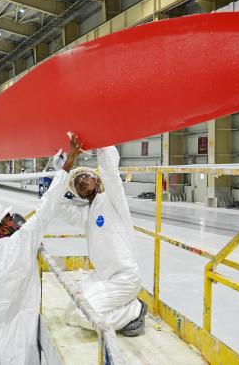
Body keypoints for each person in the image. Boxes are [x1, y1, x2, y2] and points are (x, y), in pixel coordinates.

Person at [0, 150, 72, 365]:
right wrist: (64, 171)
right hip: (17, 342)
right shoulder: (19, 244)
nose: (14, 221)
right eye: (8, 219)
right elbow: (45, 209)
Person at [54, 134, 147, 337]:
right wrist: (61, 171)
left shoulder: (112, 201)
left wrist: (101, 140)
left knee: (85, 316)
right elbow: (58, 207)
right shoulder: (86, 214)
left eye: (84, 177)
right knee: (70, 313)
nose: (80, 182)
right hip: (102, 277)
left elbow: (110, 173)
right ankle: (126, 307)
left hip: (125, 278)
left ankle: (135, 310)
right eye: (77, 182)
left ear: (96, 180)